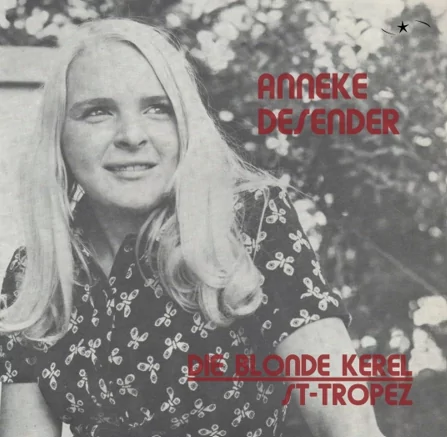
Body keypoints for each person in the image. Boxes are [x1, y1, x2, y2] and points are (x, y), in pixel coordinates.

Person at [0, 18, 385, 437]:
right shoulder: (34, 272)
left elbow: (350, 426)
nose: (132, 135)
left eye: (157, 108)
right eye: (98, 112)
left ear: (186, 125)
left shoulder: (251, 221)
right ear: (58, 136)